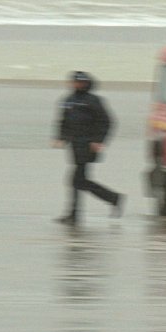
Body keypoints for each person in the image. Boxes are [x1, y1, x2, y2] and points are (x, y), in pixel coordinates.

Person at [52, 70, 122, 224]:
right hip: (74, 145)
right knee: (79, 180)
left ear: (87, 83)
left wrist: (99, 140)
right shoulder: (68, 100)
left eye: (81, 82)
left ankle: (75, 214)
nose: (78, 84)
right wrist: (60, 137)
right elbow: (63, 121)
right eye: (75, 82)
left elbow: (107, 122)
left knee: (76, 180)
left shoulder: (94, 100)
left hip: (88, 146)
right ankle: (112, 198)